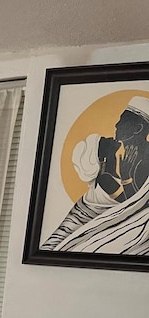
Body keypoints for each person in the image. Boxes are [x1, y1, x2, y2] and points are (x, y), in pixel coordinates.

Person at [41, 95, 149, 255]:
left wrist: (125, 176)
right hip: (89, 211)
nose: (116, 125)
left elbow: (133, 205)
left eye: (122, 120)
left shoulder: (142, 157)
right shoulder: (120, 154)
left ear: (137, 129)